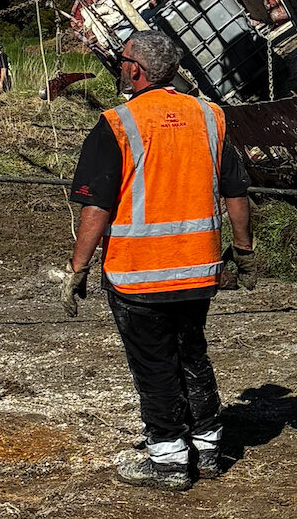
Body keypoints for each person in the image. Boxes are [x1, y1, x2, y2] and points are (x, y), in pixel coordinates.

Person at [60, 29, 255, 491]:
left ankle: (167, 458)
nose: (120, 64)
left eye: (123, 58)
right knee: (191, 352)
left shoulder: (118, 123)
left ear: (137, 70)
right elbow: (237, 191)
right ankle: (206, 448)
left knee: (153, 363)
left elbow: (97, 209)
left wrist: (77, 269)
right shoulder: (211, 117)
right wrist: (244, 252)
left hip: (138, 273)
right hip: (198, 269)